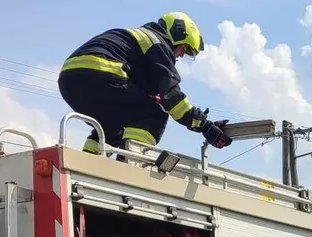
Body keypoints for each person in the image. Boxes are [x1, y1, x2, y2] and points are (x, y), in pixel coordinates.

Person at [58, 13, 232, 154]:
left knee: (110, 127)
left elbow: (145, 88)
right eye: (184, 49)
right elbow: (173, 97)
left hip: (69, 80)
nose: (180, 55)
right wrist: (205, 126)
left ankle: (88, 164)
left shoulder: (137, 38)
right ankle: (131, 166)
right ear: (177, 35)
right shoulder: (158, 43)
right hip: (103, 74)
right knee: (155, 115)